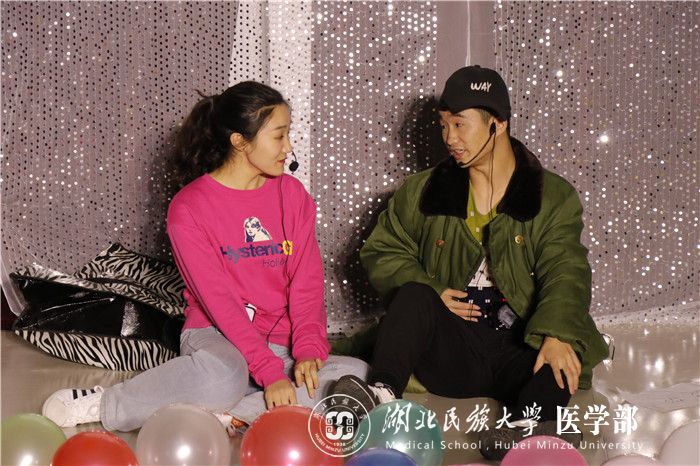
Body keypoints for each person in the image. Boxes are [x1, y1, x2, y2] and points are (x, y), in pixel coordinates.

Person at [42, 81, 368, 433]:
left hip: (281, 342)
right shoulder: (189, 208)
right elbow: (220, 303)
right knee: (225, 376)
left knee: (358, 374)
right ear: (240, 141)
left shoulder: (292, 195)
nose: (288, 147)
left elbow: (306, 283)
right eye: (279, 136)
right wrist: (269, 371)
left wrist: (307, 351)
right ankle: (107, 402)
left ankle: (229, 413)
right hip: (219, 333)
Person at [331, 66, 609, 460]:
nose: (449, 138)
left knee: (564, 343)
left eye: (460, 124)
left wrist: (556, 334)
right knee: (414, 294)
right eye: (444, 125)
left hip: (521, 345)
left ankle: (529, 425)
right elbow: (382, 251)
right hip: (454, 352)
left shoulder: (551, 196)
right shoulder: (423, 191)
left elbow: (566, 269)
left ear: (498, 123)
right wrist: (434, 290)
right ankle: (379, 394)